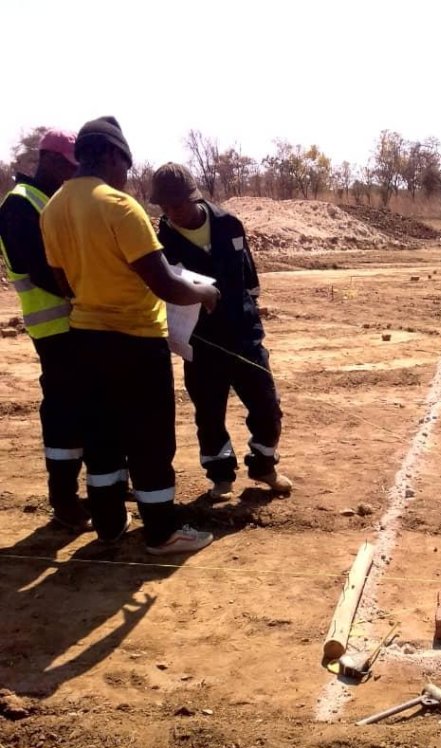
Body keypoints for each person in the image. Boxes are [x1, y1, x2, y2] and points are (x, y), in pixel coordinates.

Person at [40, 117, 220, 555]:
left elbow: (64, 283)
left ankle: (109, 524)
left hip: (85, 339)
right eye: (126, 163)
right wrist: (205, 292)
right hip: (136, 342)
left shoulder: (53, 209)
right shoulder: (119, 206)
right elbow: (165, 284)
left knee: (101, 437)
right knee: (150, 438)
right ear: (110, 155)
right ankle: (161, 532)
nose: (126, 173)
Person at [151, 163, 291, 502]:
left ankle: (263, 465)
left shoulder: (229, 224)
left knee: (267, 405)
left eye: (177, 205)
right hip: (201, 342)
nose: (172, 213)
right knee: (209, 414)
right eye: (165, 207)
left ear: (194, 197)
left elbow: (249, 278)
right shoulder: (161, 242)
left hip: (244, 336)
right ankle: (220, 475)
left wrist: (251, 317)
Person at [0, 129, 90, 530]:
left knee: (89, 407)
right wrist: (88, 294)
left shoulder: (54, 199)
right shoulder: (20, 204)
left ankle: (100, 485)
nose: (73, 173)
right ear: (50, 160)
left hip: (78, 322)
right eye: (69, 166)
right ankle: (64, 499)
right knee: (64, 412)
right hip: (55, 328)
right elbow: (39, 270)